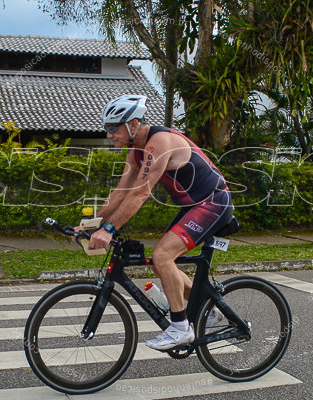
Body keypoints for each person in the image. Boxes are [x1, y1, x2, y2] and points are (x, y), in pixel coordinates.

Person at [86, 95, 233, 350]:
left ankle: (180, 327)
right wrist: (92, 224)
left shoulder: (159, 142)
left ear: (132, 125)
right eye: (106, 129)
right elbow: (121, 192)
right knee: (159, 262)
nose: (109, 135)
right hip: (195, 205)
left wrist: (109, 230)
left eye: (113, 128)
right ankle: (209, 310)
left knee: (163, 255)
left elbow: (141, 193)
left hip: (213, 202)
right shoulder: (136, 152)